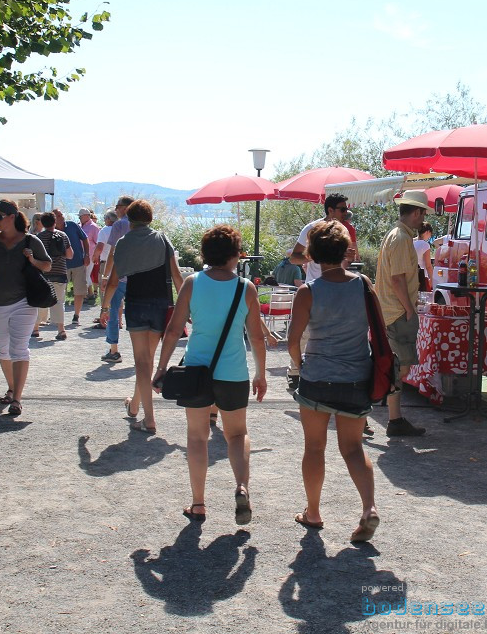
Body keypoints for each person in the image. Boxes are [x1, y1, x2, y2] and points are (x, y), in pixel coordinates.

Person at [153, 225, 267, 523]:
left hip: (195, 373)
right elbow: (256, 338)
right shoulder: (247, 288)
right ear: (235, 255)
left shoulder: (192, 283)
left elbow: (174, 330)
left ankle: (199, 503)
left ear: (205, 253)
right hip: (233, 373)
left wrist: (161, 368)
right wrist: (261, 374)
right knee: (237, 434)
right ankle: (241, 487)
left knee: (197, 437)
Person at [286, 219, 380, 542]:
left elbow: (293, 341)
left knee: (314, 446)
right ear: (345, 252)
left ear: (311, 255)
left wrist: (301, 367)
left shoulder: (308, 292)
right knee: (353, 448)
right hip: (356, 378)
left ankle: (313, 512)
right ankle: (369, 508)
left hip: (316, 379)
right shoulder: (364, 284)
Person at [106, 199, 184, 434]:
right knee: (147, 360)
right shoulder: (162, 239)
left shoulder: (123, 243)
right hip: (160, 304)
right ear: (150, 219)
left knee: (142, 361)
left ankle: (149, 418)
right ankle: (135, 405)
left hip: (136, 303)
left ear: (129, 220)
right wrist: (186, 306)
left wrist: (104, 308)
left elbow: (112, 282)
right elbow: (178, 277)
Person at [0, 200, 52, 416]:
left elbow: (47, 265)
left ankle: (17, 397)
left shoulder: (30, 240)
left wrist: (32, 259)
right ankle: (11, 387)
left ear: (12, 217)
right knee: (3, 348)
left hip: (24, 301)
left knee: (19, 348)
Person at [286, 194, 355, 389]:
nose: (346, 213)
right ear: (330, 210)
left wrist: (345, 256)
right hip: (314, 289)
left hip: (337, 287)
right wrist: (315, 255)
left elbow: (346, 261)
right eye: (342, 209)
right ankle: (295, 371)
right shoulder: (311, 229)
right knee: (304, 332)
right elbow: (294, 258)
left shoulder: (345, 230)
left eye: (346, 209)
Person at [375, 190, 429, 437]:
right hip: (397, 312)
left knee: (398, 367)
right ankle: (384, 416)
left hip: (392, 311)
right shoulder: (401, 238)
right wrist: (409, 310)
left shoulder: (397, 235)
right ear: (416, 212)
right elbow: (398, 280)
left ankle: (394, 419)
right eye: (423, 213)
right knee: (398, 368)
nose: (423, 219)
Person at [98, 196, 135, 362]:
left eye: (118, 206)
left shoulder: (119, 225)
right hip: (137, 277)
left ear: (126, 208)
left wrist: (106, 275)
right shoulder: (141, 225)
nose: (116, 210)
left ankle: (114, 349)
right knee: (135, 312)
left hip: (119, 276)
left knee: (113, 310)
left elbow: (112, 252)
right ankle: (139, 350)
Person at [34, 212, 73, 341]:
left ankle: (35, 329)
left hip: (44, 273)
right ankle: (61, 330)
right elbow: (70, 254)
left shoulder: (39, 237)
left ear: (42, 223)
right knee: (59, 301)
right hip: (60, 272)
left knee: (40, 300)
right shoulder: (62, 235)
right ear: (54, 222)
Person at [55, 209, 89, 324]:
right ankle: (57, 315)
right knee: (59, 291)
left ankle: (76, 315)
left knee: (79, 290)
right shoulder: (52, 230)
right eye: (58, 215)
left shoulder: (72, 225)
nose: (62, 217)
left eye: (61, 214)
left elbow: (84, 238)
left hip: (78, 262)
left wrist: (87, 254)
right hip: (61, 265)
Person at [91, 208, 117, 325]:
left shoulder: (105, 230)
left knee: (104, 290)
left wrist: (95, 256)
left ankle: (105, 316)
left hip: (106, 262)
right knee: (116, 290)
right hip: (118, 264)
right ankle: (115, 317)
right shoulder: (120, 229)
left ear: (107, 219)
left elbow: (100, 246)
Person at [78, 207, 100, 300]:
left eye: (80, 217)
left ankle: (89, 294)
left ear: (86, 216)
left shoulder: (94, 227)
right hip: (80, 254)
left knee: (86, 274)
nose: (79, 218)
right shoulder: (79, 226)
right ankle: (88, 294)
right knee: (83, 274)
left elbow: (98, 242)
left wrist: (96, 256)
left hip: (90, 255)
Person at [414, 222, 434, 292]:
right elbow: (428, 265)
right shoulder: (425, 245)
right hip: (422, 276)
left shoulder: (411, 242)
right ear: (427, 232)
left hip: (411, 275)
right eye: (430, 235)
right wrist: (432, 278)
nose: (429, 237)